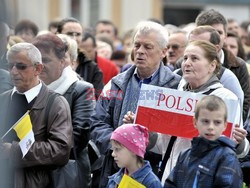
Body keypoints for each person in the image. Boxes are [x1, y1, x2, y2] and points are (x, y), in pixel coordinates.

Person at [90, 20, 181, 188]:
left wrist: (141, 139)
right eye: (137, 45)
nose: (140, 51)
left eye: (148, 47)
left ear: (163, 51)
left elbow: (177, 138)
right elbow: (97, 122)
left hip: (155, 173)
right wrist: (119, 145)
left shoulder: (176, 87)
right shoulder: (116, 83)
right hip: (115, 172)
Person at [150, 40, 249, 185]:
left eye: (194, 58)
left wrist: (240, 142)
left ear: (212, 66)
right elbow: (163, 146)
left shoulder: (226, 98)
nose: (187, 63)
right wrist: (146, 133)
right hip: (172, 178)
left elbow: (237, 150)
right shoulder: (176, 94)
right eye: (185, 58)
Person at [0, 42, 73, 187]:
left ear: (38, 68)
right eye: (10, 66)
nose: (14, 71)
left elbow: (61, 150)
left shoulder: (56, 103)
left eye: (21, 66)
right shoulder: (3, 99)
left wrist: (14, 151)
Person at [32, 33, 94, 188]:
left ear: (62, 62)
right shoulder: (29, 89)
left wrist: (29, 150)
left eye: (45, 60)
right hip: (32, 174)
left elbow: (77, 137)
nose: (40, 66)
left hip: (66, 174)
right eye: (36, 61)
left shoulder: (83, 89)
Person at [164, 95, 243, 188]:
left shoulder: (227, 157)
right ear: (195, 122)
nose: (211, 127)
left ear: (225, 125)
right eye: (205, 121)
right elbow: (170, 184)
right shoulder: (185, 155)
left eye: (217, 122)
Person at [195, 9, 250, 123]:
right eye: (208, 32)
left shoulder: (238, 65)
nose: (213, 38)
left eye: (218, 33)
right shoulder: (183, 64)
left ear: (225, 36)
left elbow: (243, 107)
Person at [57, 17, 104, 96]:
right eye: (69, 34)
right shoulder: (49, 62)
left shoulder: (92, 67)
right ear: (58, 34)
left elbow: (97, 97)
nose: (74, 38)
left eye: (78, 34)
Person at [107, 124, 162, 188]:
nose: (113, 154)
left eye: (117, 149)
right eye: (113, 149)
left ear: (133, 150)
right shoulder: (114, 179)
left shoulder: (151, 183)